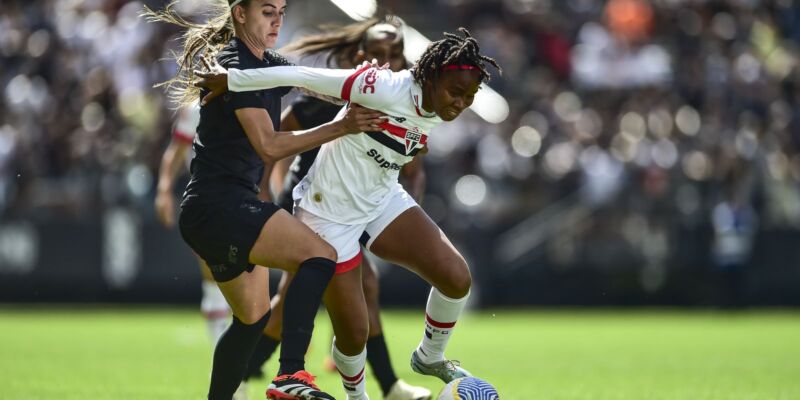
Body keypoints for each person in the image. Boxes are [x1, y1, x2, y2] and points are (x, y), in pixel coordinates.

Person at [197, 27, 501, 400]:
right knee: (354, 334)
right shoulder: (380, 86)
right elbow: (301, 76)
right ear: (432, 76)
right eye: (456, 93)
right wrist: (233, 79)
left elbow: (407, 139)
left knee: (456, 278)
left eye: (470, 97)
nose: (461, 103)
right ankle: (357, 396)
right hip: (328, 214)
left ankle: (430, 356)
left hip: (381, 197)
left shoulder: (439, 105)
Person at [145, 1, 387, 399]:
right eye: (266, 10)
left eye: (281, 11)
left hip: (210, 211)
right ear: (240, 13)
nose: (277, 20)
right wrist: (342, 126)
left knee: (252, 320)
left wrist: (364, 81)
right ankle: (290, 373)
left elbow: (311, 82)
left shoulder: (266, 62)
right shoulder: (235, 63)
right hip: (220, 205)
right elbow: (270, 146)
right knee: (319, 256)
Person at [241, 17, 431, 400]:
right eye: (377, 54)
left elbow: (413, 167)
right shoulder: (322, 98)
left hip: (358, 205)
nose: (387, 61)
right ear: (359, 56)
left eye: (394, 54)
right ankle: (242, 375)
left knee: (363, 288)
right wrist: (264, 192)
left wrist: (408, 208)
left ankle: (386, 384)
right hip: (311, 202)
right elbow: (274, 143)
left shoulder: (404, 101)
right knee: (293, 301)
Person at [154, 103, 250, 400]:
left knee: (245, 289)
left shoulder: (253, 94)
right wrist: (164, 189)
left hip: (247, 195)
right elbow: (177, 150)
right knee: (216, 280)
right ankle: (229, 369)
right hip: (209, 199)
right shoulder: (196, 108)